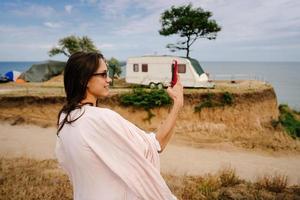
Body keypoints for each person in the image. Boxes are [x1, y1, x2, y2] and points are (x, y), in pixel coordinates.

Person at [55, 52, 183, 200]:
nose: (109, 79)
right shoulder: (100, 119)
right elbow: (154, 146)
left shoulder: (65, 118)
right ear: (85, 80)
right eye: (103, 74)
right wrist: (177, 104)